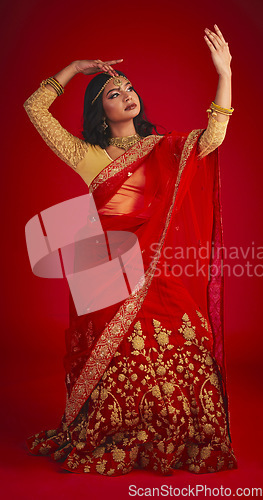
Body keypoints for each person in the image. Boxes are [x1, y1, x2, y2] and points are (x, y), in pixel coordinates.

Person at [24, 25, 238, 476]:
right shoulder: (86, 155)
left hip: (162, 274)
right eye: (112, 93)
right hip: (109, 279)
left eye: (129, 89)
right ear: (100, 113)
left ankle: (174, 428)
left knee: (181, 342)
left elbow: (212, 138)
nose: (125, 95)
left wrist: (226, 73)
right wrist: (74, 69)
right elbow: (34, 108)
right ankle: (115, 429)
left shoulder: (162, 148)